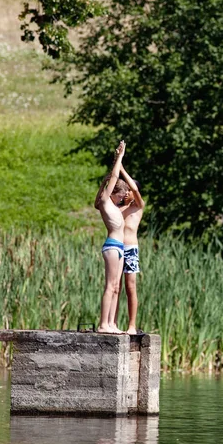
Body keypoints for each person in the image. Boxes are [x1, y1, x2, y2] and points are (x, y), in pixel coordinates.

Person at [94, 140, 128, 334]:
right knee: (110, 285)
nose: (123, 197)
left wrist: (102, 183)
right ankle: (103, 324)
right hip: (112, 246)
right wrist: (119, 158)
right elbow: (114, 176)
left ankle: (112, 324)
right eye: (121, 194)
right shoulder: (106, 202)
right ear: (112, 192)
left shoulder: (111, 206)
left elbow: (94, 203)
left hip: (120, 247)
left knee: (117, 287)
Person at [116, 164, 146, 335]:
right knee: (116, 287)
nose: (127, 192)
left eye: (129, 190)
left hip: (131, 249)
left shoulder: (138, 207)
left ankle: (132, 325)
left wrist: (121, 169)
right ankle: (112, 323)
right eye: (125, 190)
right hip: (118, 248)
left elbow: (134, 188)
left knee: (130, 286)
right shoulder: (119, 209)